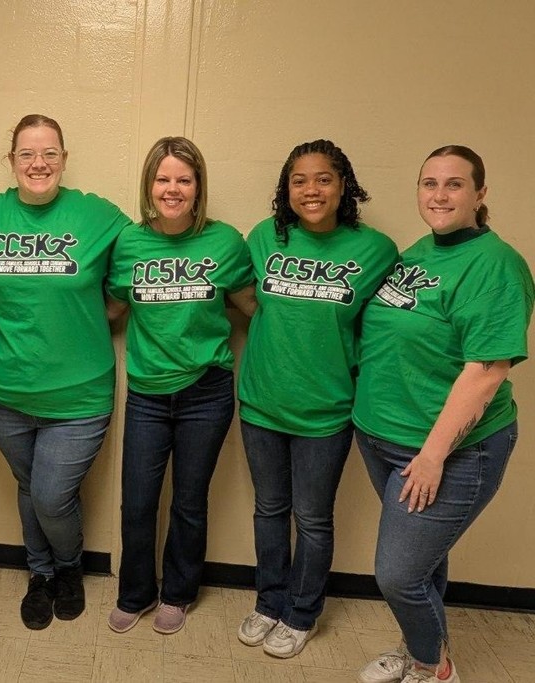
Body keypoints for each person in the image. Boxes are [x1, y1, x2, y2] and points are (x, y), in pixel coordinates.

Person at [352, 146, 533, 683]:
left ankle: (434, 668)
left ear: (480, 194)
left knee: (398, 574)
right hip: (382, 435)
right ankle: (419, 647)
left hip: (447, 450)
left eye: (454, 184)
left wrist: (433, 456)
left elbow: (485, 371)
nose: (439, 194)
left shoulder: (496, 265)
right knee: (425, 560)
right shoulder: (420, 252)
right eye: (429, 183)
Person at [0, 113, 132, 630]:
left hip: (78, 397)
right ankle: (40, 574)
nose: (39, 164)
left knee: (52, 494)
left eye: (50, 153)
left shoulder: (97, 216)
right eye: (28, 154)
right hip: (4, 392)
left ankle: (69, 568)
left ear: (64, 159)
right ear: (11, 161)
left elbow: (127, 286)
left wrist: (75, 324)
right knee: (28, 483)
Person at [237, 140, 398, 658]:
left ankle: (301, 613)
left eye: (323, 178)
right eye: (300, 180)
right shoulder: (264, 237)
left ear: (343, 185)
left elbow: (386, 329)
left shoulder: (375, 251)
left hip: (326, 412)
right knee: (268, 510)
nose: (312, 189)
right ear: (286, 189)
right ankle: (268, 601)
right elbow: (248, 301)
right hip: (261, 403)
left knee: (312, 518)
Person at [105, 137, 256, 635]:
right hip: (148, 392)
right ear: (150, 185)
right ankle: (135, 592)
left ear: (198, 187)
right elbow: (112, 310)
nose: (173, 189)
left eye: (184, 180)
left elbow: (252, 308)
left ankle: (178, 593)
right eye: (163, 178)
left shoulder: (225, 242)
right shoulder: (129, 242)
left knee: (190, 501)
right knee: (138, 500)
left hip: (206, 392)